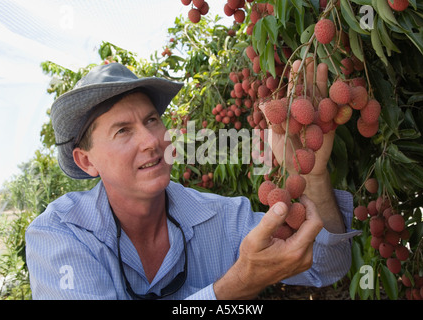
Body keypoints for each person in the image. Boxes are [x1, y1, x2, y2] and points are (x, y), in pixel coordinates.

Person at [25, 62, 360, 300]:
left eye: (152, 120)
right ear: (87, 161)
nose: (151, 141)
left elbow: (326, 266)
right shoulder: (60, 233)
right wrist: (232, 288)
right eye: (123, 130)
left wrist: (312, 176)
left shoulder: (223, 218)